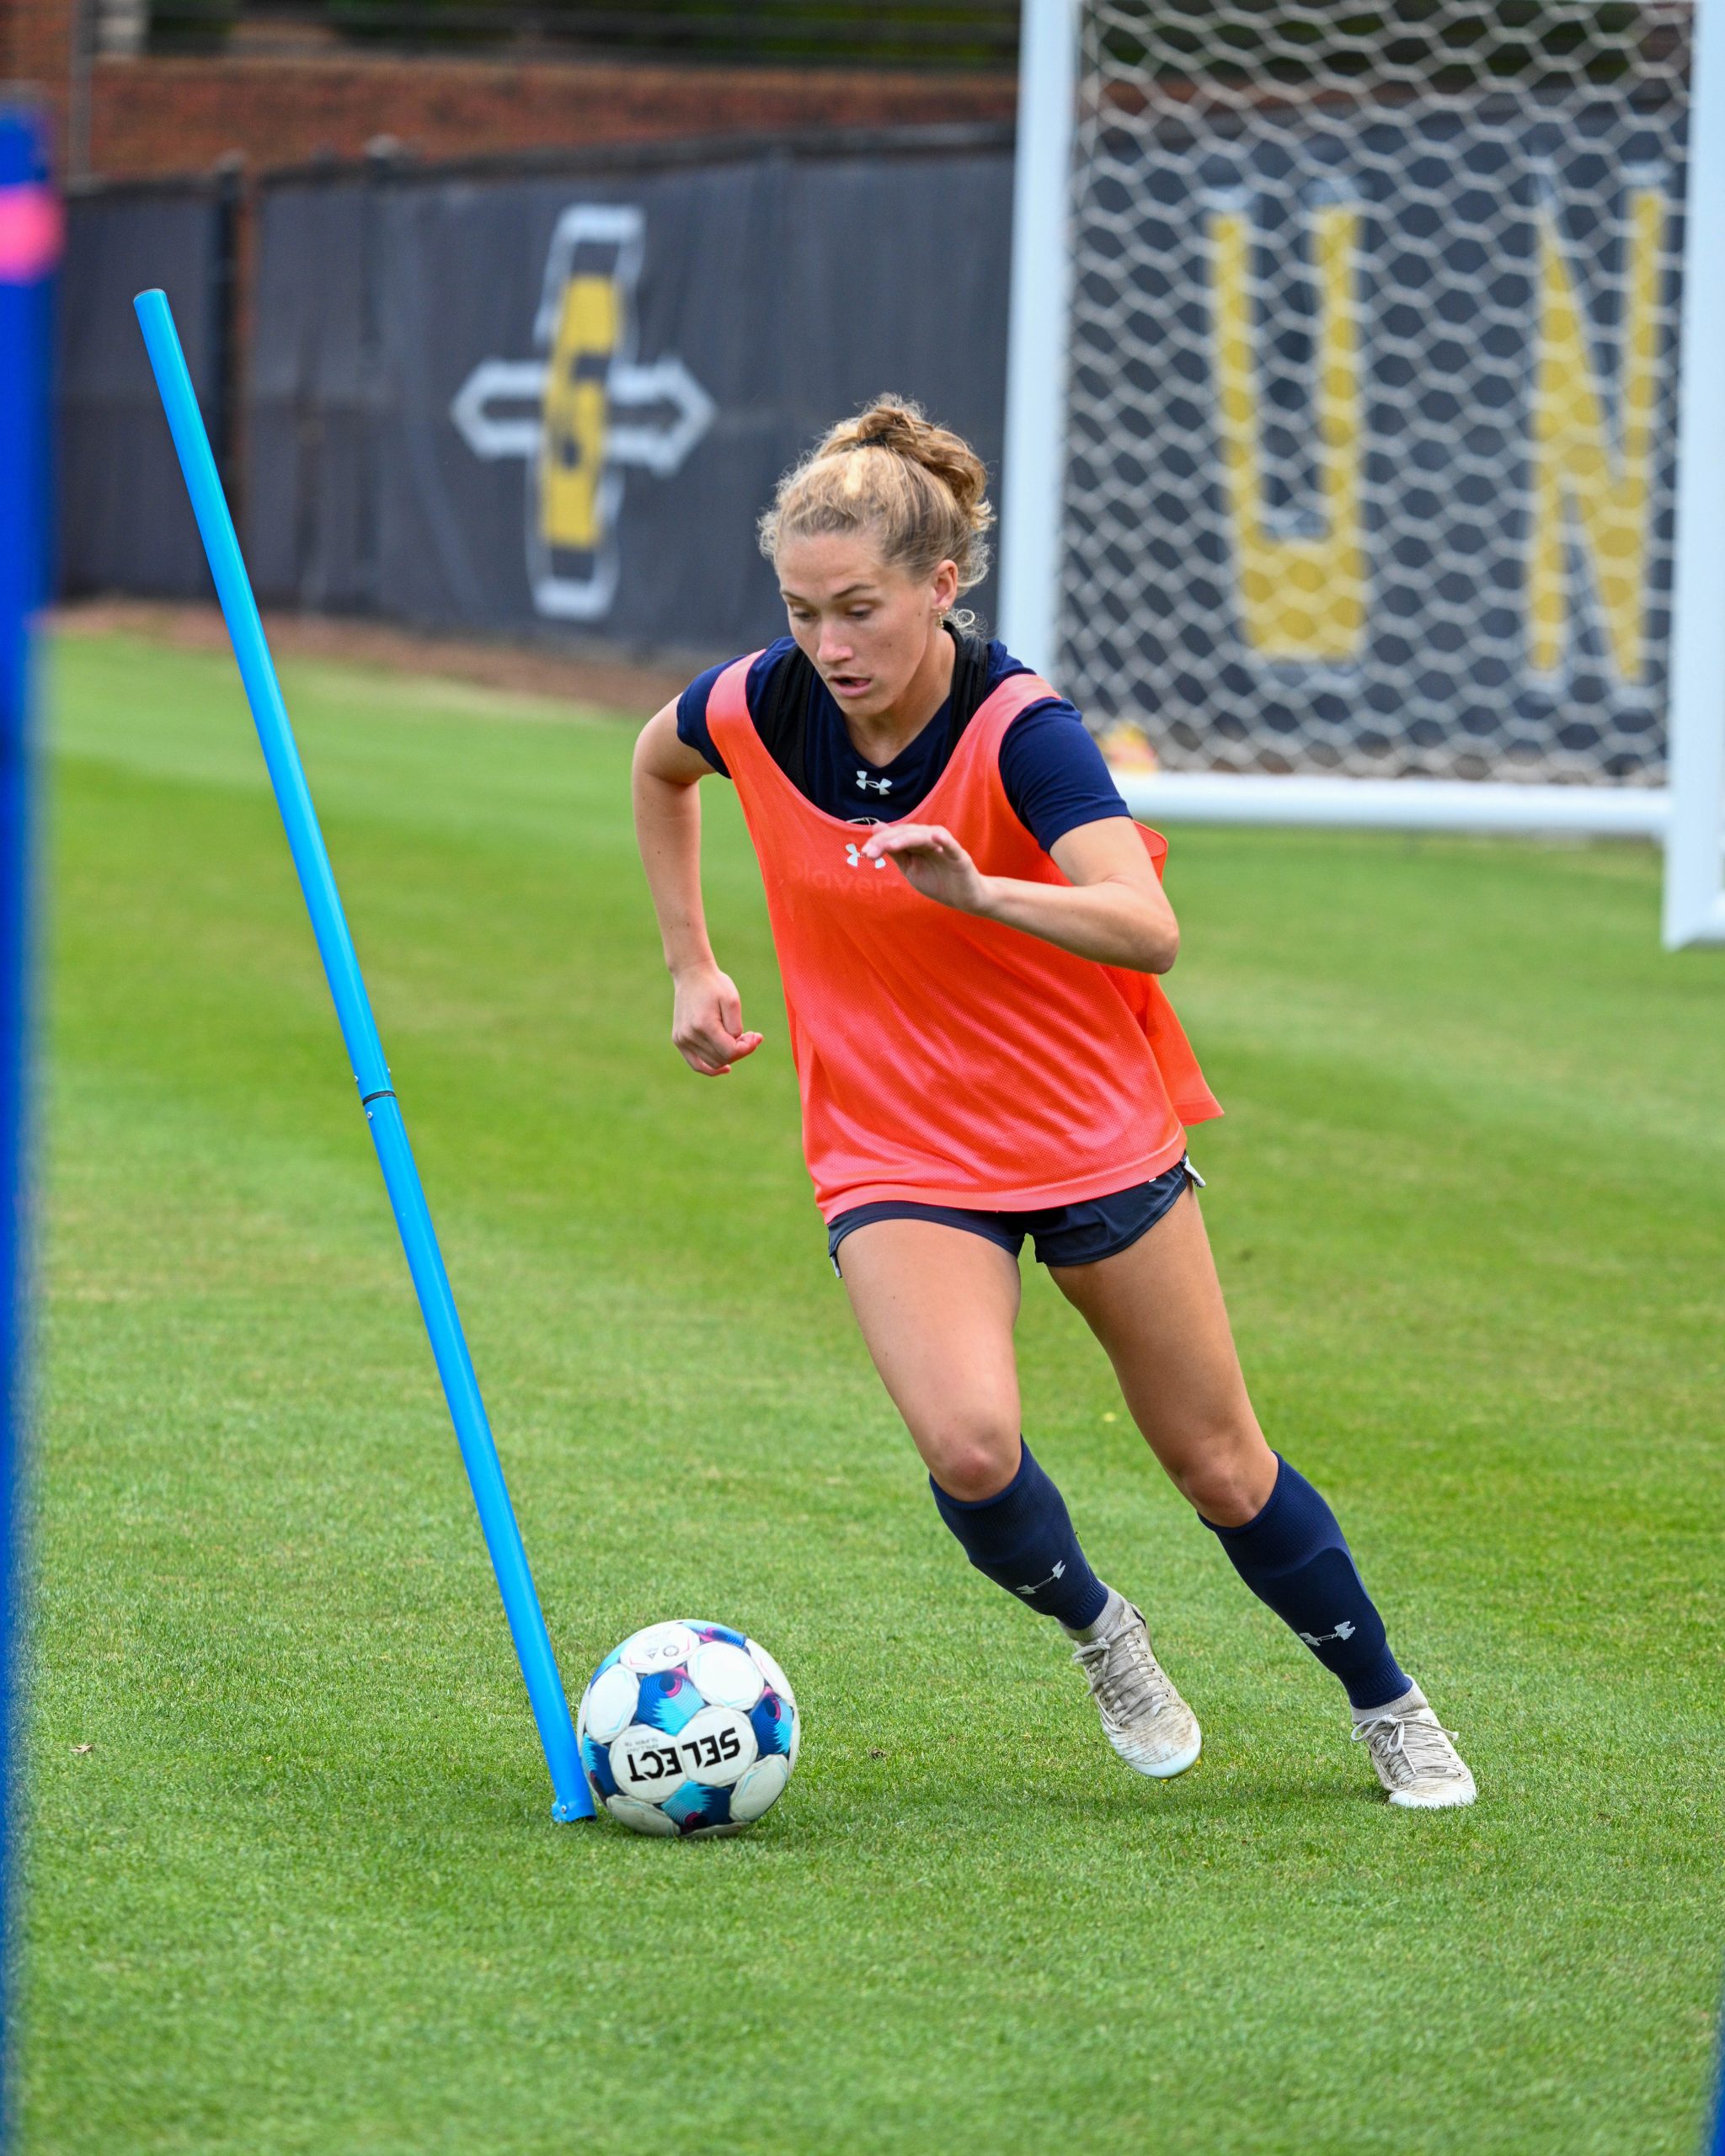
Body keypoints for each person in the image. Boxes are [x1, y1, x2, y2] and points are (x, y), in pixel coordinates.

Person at [630, 398, 1476, 1810]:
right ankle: (1102, 1630)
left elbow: (1146, 928)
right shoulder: (764, 700)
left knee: (1217, 1462)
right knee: (967, 1442)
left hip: (1087, 1135)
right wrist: (689, 962)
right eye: (801, 610)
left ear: (940, 585)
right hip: (895, 1145)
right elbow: (657, 765)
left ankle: (1384, 1699)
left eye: (860, 611)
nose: (830, 647)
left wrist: (979, 890)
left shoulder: (1026, 730)